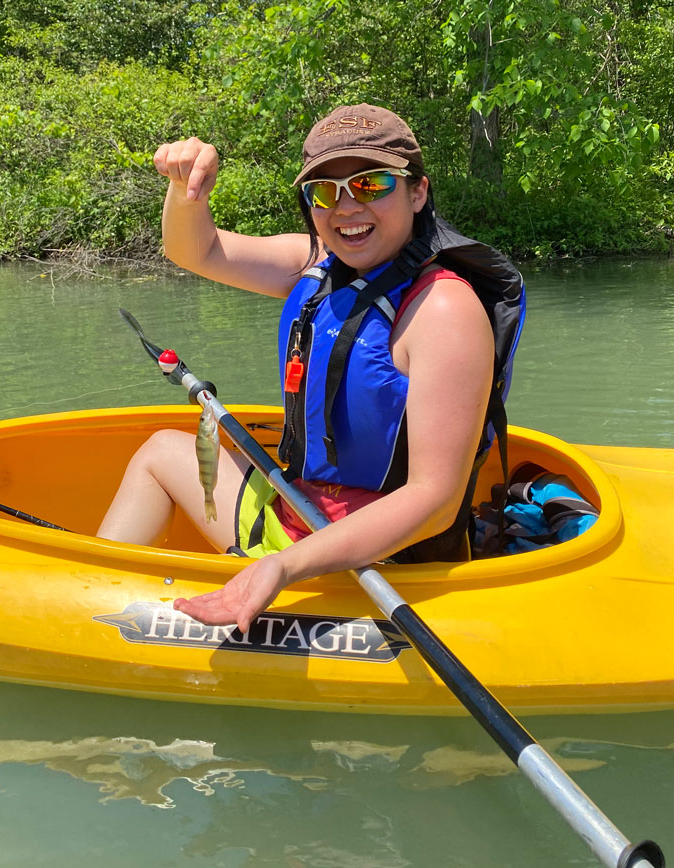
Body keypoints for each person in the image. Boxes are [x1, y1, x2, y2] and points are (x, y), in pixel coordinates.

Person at [98, 103, 523, 634]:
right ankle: (87, 597)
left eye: (370, 185)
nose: (346, 207)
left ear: (417, 192)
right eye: (324, 191)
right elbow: (195, 249)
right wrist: (188, 191)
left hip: (380, 563)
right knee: (160, 450)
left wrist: (285, 566)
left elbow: (434, 502)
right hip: (296, 515)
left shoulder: (442, 309)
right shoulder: (315, 262)